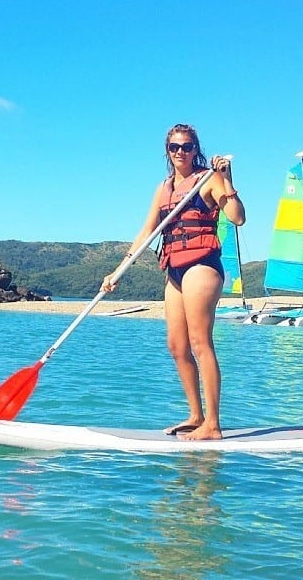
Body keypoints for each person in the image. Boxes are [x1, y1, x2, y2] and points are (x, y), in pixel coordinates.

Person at [101, 124, 245, 441]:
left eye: (188, 146)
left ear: (197, 149)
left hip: (201, 267)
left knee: (199, 342)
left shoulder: (210, 178)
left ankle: (214, 424)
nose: (181, 152)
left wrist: (228, 180)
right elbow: (146, 233)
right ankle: (196, 415)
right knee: (177, 346)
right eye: (174, 147)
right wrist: (117, 271)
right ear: (168, 151)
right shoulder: (163, 189)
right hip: (174, 270)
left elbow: (237, 217)